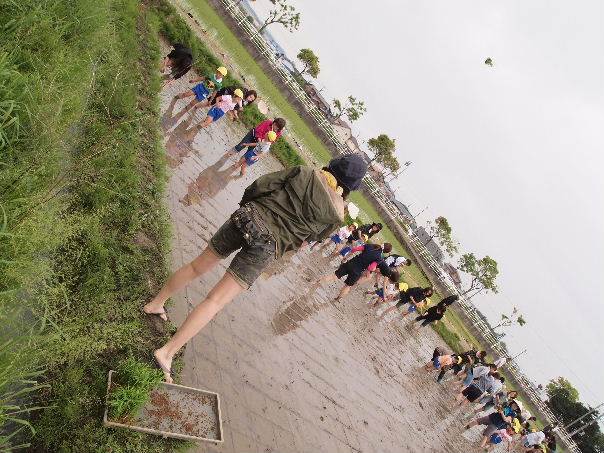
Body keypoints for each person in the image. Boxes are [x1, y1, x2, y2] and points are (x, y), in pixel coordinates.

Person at [143, 154, 368, 382]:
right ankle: (166, 353)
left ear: (333, 164)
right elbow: (311, 238)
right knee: (215, 300)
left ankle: (155, 303)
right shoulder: (337, 215)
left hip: (248, 216)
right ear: (351, 187)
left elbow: (260, 185)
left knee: (195, 267)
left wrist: (247, 208)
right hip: (268, 245)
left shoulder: (304, 172)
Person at [317, 242, 393, 301]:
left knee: (334, 276)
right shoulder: (379, 258)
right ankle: (337, 299)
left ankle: (317, 282)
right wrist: (368, 270)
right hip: (357, 271)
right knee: (347, 286)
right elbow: (371, 268)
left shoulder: (370, 246)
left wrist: (346, 257)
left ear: (382, 244)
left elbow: (355, 249)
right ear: (385, 252)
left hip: (351, 263)